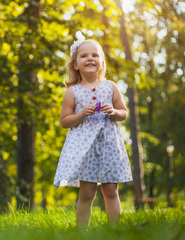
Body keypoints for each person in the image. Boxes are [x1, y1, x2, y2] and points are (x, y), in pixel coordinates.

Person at [53, 39, 133, 227]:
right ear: (76, 64)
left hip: (109, 147)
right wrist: (81, 114)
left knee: (111, 190)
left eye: (95, 55)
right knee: (87, 192)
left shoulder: (111, 86)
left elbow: (124, 113)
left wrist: (113, 112)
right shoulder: (73, 92)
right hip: (86, 150)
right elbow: (65, 121)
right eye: (84, 56)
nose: (90, 58)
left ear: (102, 62)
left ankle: (115, 229)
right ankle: (82, 232)